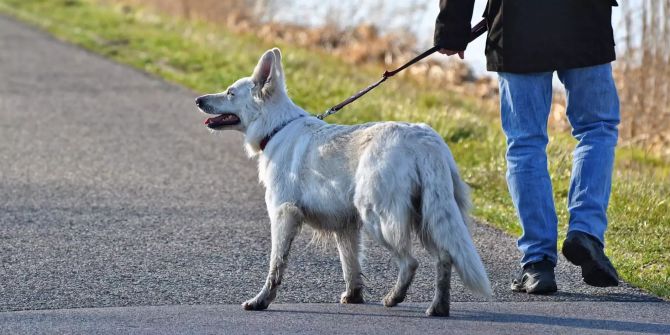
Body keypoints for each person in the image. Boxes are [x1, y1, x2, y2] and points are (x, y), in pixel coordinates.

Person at [434, 0, 621, 294]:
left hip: (517, 24)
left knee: (525, 142)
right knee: (596, 129)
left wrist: (452, 27)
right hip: (585, 18)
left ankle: (537, 263)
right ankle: (586, 232)